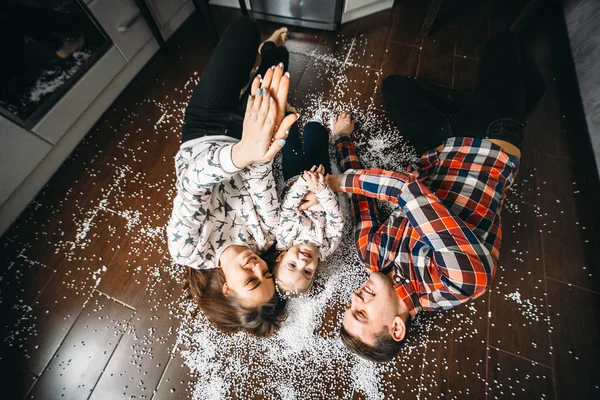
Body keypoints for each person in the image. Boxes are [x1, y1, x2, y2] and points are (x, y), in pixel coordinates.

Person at [326, 32, 545, 362]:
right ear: (396, 328)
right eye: (362, 313)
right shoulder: (457, 281)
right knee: (502, 41)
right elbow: (403, 190)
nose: (356, 298)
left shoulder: (370, 255)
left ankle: (492, 96)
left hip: (436, 147)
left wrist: (343, 140)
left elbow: (360, 201)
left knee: (395, 87)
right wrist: (334, 182)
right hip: (489, 142)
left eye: (350, 307)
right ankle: (508, 99)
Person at [167, 18, 297, 337]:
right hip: (247, 130)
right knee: (279, 62)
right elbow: (258, 173)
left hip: (203, 128)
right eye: (267, 273)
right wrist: (264, 149)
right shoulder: (265, 236)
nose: (258, 265)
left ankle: (253, 65)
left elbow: (193, 184)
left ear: (227, 289)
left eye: (251, 280)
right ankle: (267, 51)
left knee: (239, 29)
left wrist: (244, 152)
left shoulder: (189, 250)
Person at [273, 121, 345, 296]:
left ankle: (290, 116)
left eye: (292, 265)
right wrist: (320, 190)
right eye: (307, 271)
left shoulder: (285, 238)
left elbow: (288, 207)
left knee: (289, 138)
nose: (303, 261)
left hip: (295, 177)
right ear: (314, 272)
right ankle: (321, 135)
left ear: (281, 257)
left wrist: (304, 182)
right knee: (315, 130)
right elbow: (336, 218)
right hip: (322, 182)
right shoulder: (326, 247)